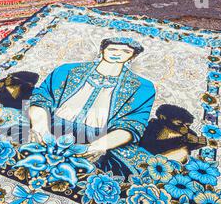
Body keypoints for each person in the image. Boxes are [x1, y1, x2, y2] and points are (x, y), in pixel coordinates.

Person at [28, 37, 155, 176]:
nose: (117, 53)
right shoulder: (67, 70)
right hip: (50, 127)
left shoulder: (142, 87)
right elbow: (42, 98)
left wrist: (99, 146)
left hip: (100, 138)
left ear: (133, 55)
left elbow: (133, 124)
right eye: (112, 49)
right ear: (102, 50)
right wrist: (39, 126)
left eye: (125, 51)